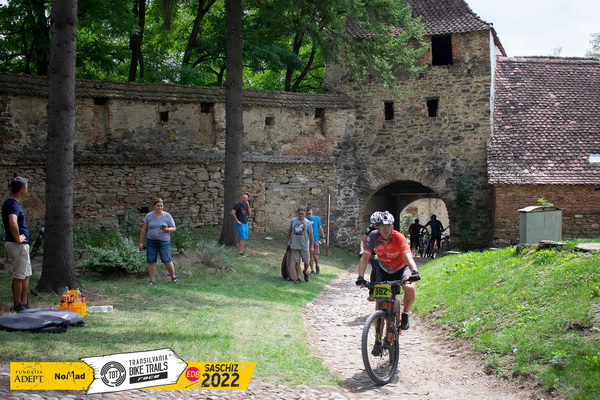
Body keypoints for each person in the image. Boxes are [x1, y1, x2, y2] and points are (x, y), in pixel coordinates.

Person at [356, 211, 420, 330]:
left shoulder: (398, 237)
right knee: (380, 303)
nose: (386, 229)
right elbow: (364, 258)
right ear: (377, 227)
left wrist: (414, 272)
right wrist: (360, 277)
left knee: (409, 288)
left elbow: (408, 256)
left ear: (392, 226)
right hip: (384, 269)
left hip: (402, 268)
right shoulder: (373, 236)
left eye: (388, 226)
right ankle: (378, 337)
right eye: (383, 227)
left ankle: (405, 314)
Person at [2, 177, 32, 312]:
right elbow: (13, 222)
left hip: (21, 246)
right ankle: (17, 305)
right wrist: (18, 238)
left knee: (26, 274)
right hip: (17, 245)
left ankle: (23, 302)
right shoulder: (13, 204)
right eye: (26, 187)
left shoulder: (10, 203)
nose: (27, 189)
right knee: (19, 276)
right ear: (21, 189)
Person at [139, 198, 179, 285]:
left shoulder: (167, 216)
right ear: (154, 206)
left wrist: (167, 229)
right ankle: (151, 281)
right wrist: (141, 242)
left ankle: (173, 278)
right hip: (151, 242)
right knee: (151, 261)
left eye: (161, 206)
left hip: (164, 242)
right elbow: (144, 229)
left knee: (167, 260)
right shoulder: (149, 216)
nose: (159, 207)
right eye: (158, 206)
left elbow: (174, 228)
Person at [286, 207, 313, 284]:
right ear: (297, 213)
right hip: (295, 245)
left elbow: (311, 235)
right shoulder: (293, 221)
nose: (301, 215)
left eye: (302, 214)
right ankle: (298, 278)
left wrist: (311, 246)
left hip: (304, 245)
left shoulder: (308, 223)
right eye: (299, 213)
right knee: (297, 262)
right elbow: (290, 231)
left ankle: (305, 271)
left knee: (306, 262)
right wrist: (287, 240)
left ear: (305, 214)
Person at [306, 207, 324, 275]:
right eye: (307, 214)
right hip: (307, 240)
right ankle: (312, 270)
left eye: (309, 213)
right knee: (310, 256)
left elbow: (320, 228)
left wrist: (323, 237)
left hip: (315, 239)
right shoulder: (305, 219)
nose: (308, 215)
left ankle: (317, 265)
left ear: (312, 212)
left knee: (315, 254)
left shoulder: (316, 218)